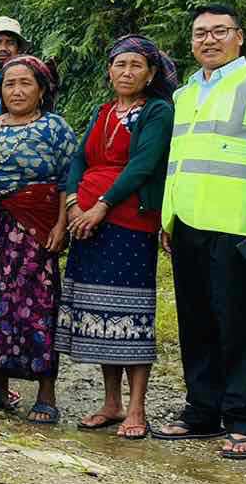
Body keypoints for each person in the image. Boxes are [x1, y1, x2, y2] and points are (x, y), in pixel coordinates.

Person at [152, 4, 246, 461]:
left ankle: (242, 419)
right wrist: (168, 217)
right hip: (189, 222)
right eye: (199, 34)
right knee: (196, 321)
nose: (208, 40)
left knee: (240, 322)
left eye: (219, 31)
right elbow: (181, 159)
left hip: (239, 223)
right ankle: (202, 411)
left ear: (239, 36)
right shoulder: (186, 93)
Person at [58, 36, 178, 441]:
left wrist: (102, 206)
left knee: (130, 315)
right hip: (87, 222)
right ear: (110, 70)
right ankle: (110, 402)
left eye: (135, 66)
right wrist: (75, 203)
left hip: (128, 223)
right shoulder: (104, 111)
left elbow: (144, 164)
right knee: (99, 315)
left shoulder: (158, 111)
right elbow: (78, 158)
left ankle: (136, 407)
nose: (126, 72)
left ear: (151, 73)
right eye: (120, 64)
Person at [0, 56, 76, 422]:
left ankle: (46, 393)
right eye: (9, 84)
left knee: (36, 306)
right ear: (0, 92)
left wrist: (60, 225)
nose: (17, 90)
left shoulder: (55, 128)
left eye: (25, 83)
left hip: (33, 229)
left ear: (41, 90)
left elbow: (68, 181)